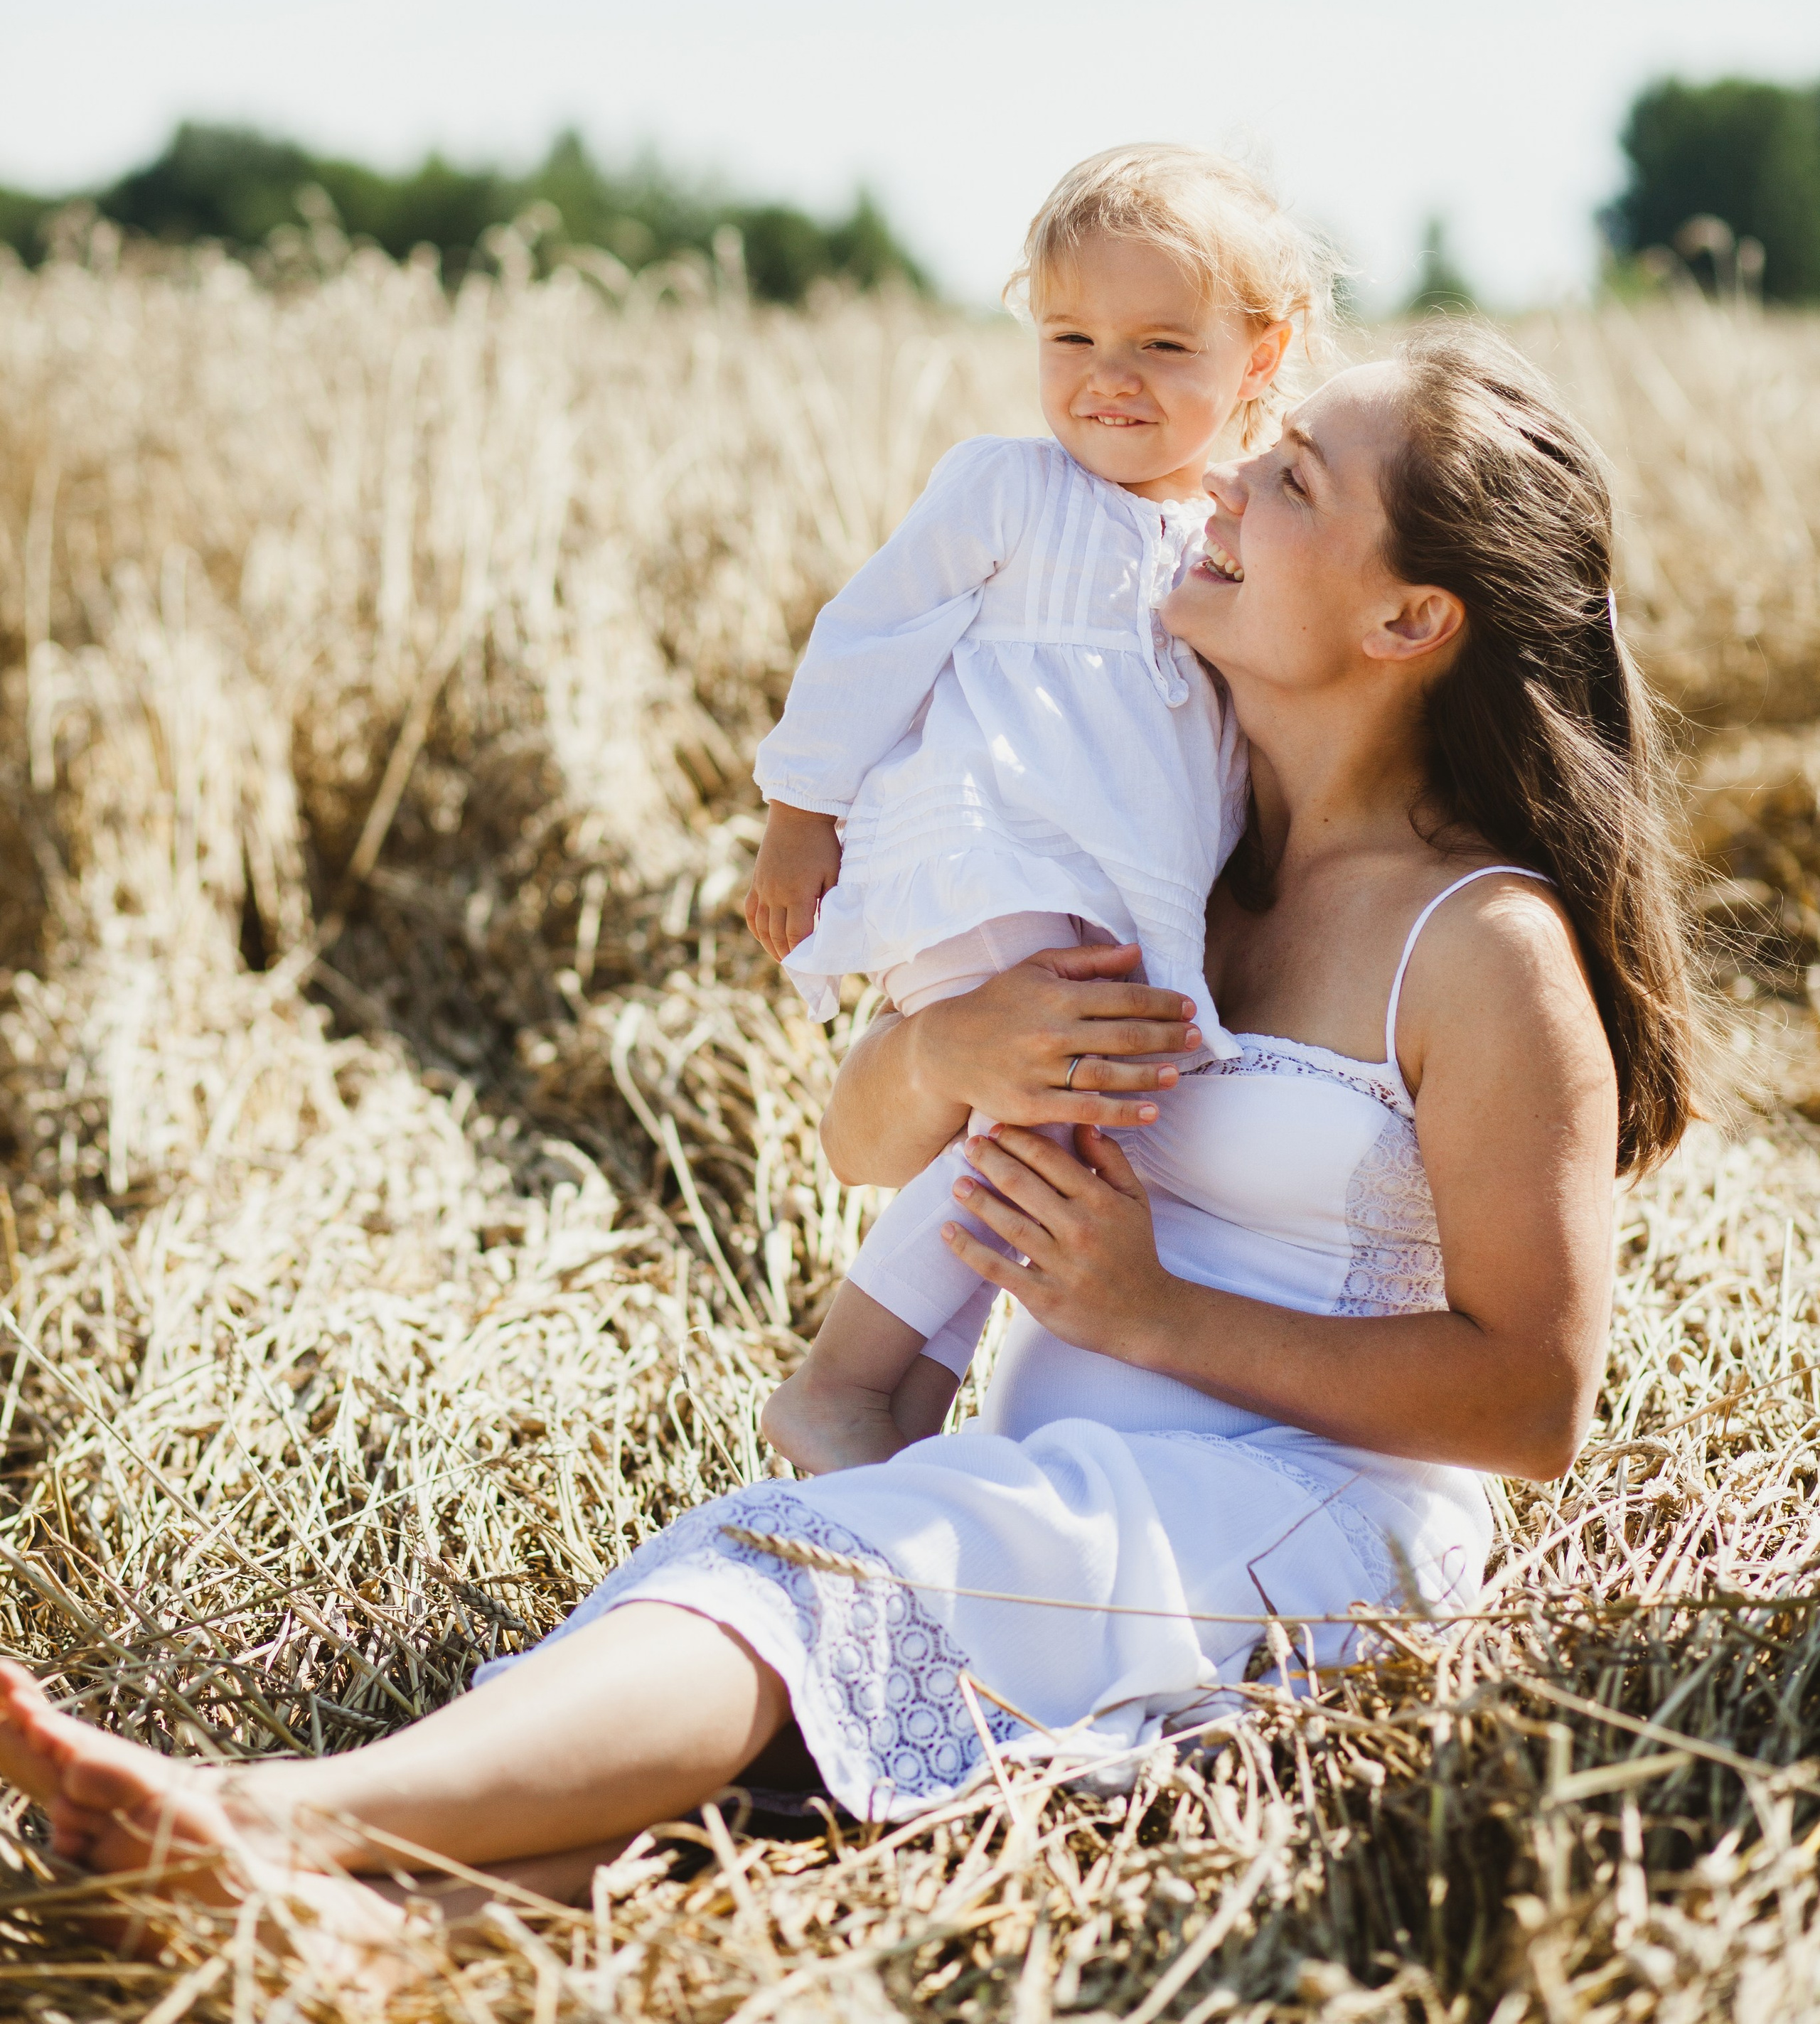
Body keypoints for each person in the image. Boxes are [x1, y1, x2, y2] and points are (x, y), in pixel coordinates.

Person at [0, 325, 1698, 1947]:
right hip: (1063, 1498)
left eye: (1297, 479)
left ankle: (283, 1814)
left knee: (807, 1576)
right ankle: (370, 1941)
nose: (1231, 477)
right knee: (778, 1693)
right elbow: (867, 1142)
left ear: (1410, 619)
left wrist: (1153, 1318)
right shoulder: (1166, 832)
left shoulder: (1479, 947)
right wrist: (953, 1043)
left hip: (1293, 1533)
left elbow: (1529, 1399)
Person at [749, 145, 1327, 1474]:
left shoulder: (1233, 538)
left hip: (1112, 884)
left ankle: (905, 1405)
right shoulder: (1006, 489)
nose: (1106, 377)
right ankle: (842, 1381)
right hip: (986, 854)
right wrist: (800, 815)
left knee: (1057, 1130)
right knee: (1044, 1123)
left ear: (1258, 356)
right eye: (1071, 335)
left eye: (1161, 344)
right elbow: (866, 639)